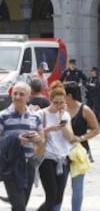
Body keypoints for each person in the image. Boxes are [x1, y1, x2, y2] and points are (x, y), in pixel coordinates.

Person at [0, 82, 43, 211]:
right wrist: (15, 138)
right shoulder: (3, 116)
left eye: (21, 94)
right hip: (11, 165)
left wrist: (37, 138)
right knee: (19, 205)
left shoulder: (35, 116)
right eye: (15, 94)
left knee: (22, 203)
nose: (18, 97)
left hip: (28, 164)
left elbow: (41, 139)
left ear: (28, 97)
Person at [37, 81, 76, 211]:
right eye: (56, 102)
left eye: (61, 102)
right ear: (50, 100)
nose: (59, 105)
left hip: (63, 158)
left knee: (58, 197)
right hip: (47, 157)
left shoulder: (65, 115)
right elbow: (36, 134)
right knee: (51, 195)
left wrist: (61, 121)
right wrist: (49, 129)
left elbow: (70, 137)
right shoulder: (42, 114)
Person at [64, 82, 100, 211]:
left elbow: (96, 129)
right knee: (58, 187)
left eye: (63, 94)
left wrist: (82, 138)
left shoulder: (84, 110)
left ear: (69, 95)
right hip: (62, 151)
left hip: (79, 152)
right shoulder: (61, 109)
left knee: (77, 186)